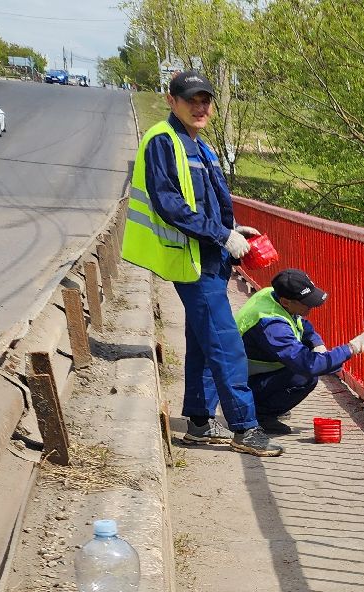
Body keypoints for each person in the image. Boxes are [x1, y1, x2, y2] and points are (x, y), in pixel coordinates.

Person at [122, 70, 281, 458]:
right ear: (171, 100)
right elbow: (170, 203)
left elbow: (205, 201)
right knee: (227, 346)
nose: (199, 107)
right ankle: (244, 427)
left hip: (210, 257)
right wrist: (221, 235)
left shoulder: (201, 146)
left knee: (203, 341)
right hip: (192, 260)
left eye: (205, 100)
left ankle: (197, 422)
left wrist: (231, 228)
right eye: (191, 99)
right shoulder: (164, 140)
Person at [236, 268, 364, 434]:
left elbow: (300, 323)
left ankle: (263, 403)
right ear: (286, 302)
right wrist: (352, 348)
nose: (311, 306)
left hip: (251, 372)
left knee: (306, 368)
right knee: (305, 377)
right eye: (306, 302)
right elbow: (309, 365)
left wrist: (315, 342)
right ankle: (259, 414)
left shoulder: (271, 294)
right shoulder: (272, 326)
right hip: (242, 382)